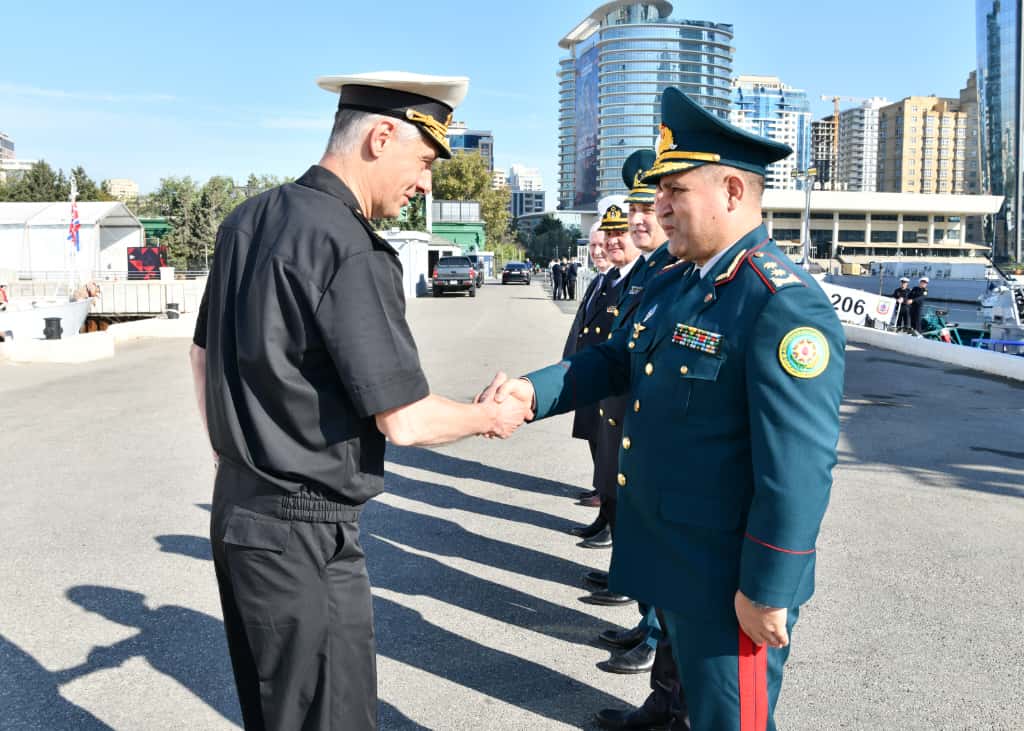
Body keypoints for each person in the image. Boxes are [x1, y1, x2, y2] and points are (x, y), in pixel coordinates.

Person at [481, 87, 845, 731]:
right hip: (674, 555)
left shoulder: (779, 303)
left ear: (732, 191)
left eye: (675, 191)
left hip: (728, 579)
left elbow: (797, 469)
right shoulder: (678, 281)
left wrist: (769, 588)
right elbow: (614, 361)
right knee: (685, 702)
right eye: (658, 193)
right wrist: (532, 393)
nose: (659, 208)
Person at [189, 71, 531, 731]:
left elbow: (201, 357)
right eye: (424, 161)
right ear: (380, 137)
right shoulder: (347, 245)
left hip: (238, 515)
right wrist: (489, 416)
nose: (425, 183)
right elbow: (404, 418)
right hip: (304, 533)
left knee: (276, 713)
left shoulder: (245, 220)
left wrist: (237, 452)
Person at [564, 224, 610, 512]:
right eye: (592, 245)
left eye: (602, 245)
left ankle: (606, 498)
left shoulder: (621, 284)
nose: (597, 251)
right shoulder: (597, 281)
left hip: (605, 377)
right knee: (593, 435)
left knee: (606, 440)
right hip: (587, 373)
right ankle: (601, 490)